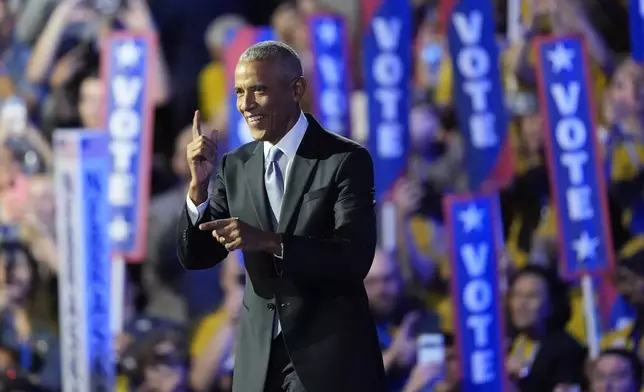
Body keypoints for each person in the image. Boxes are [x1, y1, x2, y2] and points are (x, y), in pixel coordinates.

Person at [176, 41, 384, 392]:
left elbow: (353, 259)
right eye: (240, 92)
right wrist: (198, 188)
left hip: (328, 358)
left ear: (296, 90)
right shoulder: (234, 165)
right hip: (259, 361)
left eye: (259, 90)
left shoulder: (344, 160)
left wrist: (267, 241)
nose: (246, 105)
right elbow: (197, 255)